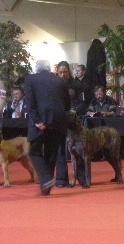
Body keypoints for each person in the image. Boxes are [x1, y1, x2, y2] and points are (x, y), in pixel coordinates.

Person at [24, 60, 70, 196]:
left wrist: (36, 121)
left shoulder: (30, 79)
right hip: (58, 121)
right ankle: (46, 188)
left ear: (37, 69)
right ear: (50, 68)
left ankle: (46, 179)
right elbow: (67, 104)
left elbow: (30, 101)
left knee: (33, 151)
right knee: (51, 152)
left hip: (41, 120)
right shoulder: (60, 81)